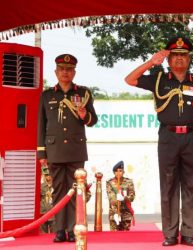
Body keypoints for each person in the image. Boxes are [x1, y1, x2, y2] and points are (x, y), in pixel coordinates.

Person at [125, 36, 193, 246]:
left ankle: (190, 233)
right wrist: (150, 62)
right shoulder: (159, 79)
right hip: (168, 137)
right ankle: (170, 234)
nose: (180, 60)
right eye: (175, 56)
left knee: (192, 186)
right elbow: (129, 80)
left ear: (189, 59)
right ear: (168, 59)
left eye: (184, 56)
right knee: (169, 186)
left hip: (192, 137)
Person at [37, 54, 98, 243]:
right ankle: (59, 230)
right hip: (54, 149)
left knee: (75, 191)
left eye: (69, 69)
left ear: (74, 72)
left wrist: (84, 114)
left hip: (75, 149)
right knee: (57, 190)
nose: (65, 72)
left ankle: (73, 229)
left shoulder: (83, 93)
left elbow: (93, 121)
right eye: (62, 69)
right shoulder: (47, 95)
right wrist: (41, 152)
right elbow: (41, 124)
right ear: (56, 72)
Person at [106, 161, 135, 231]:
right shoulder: (110, 182)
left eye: (120, 171)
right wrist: (116, 213)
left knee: (125, 237)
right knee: (114, 237)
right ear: (114, 172)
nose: (118, 173)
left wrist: (124, 198)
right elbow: (111, 198)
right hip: (114, 214)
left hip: (126, 213)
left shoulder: (129, 182)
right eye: (116, 171)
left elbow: (132, 197)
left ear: (123, 172)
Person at [40, 165, 56, 233]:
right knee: (42, 235)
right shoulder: (41, 186)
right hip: (43, 213)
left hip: (54, 214)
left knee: (54, 234)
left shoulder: (56, 185)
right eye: (46, 175)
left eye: (49, 175)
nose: (48, 177)